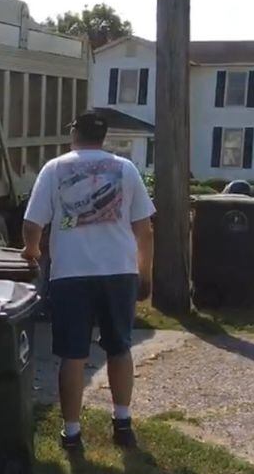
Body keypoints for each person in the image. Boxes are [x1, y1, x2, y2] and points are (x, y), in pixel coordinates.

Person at [21, 110, 155, 452]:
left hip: (71, 273)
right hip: (119, 272)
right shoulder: (125, 169)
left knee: (73, 354)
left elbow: (33, 223)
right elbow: (144, 229)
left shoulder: (55, 169)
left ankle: (72, 432)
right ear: (103, 137)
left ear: (74, 134)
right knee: (120, 347)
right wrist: (145, 272)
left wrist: (32, 251)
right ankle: (122, 423)